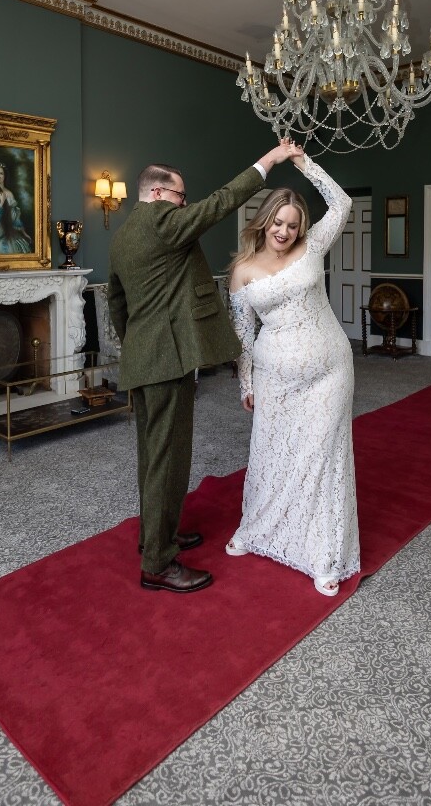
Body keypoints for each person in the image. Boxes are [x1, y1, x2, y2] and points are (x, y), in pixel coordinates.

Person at [107, 139, 303, 593]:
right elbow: (219, 204)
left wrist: (140, 344)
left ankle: (156, 537)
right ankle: (157, 564)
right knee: (167, 461)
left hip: (148, 357)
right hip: (167, 358)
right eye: (180, 196)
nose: (185, 203)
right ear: (157, 194)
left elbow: (118, 305)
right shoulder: (162, 223)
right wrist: (269, 161)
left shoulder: (121, 237)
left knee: (155, 459)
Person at [226, 151, 360, 596]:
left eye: (292, 224)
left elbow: (342, 204)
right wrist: (246, 383)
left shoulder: (312, 246)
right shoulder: (242, 271)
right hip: (275, 377)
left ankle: (322, 556)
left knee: (321, 458)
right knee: (274, 455)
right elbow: (243, 336)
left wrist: (303, 165)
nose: (284, 232)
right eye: (277, 223)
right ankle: (258, 530)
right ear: (264, 222)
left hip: (330, 370)